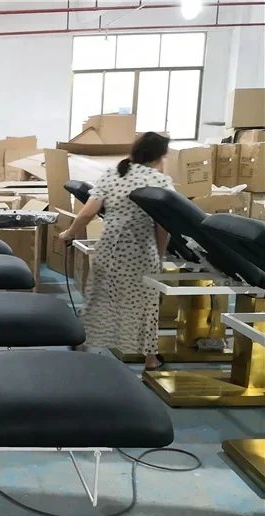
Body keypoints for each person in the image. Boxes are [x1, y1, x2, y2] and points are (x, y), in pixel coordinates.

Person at [59, 132, 173, 371]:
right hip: (141, 251)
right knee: (146, 304)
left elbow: (88, 212)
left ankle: (83, 345)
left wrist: (69, 233)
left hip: (108, 248)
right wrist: (160, 256)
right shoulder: (160, 181)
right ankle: (150, 359)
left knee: (98, 298)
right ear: (160, 156)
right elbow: (164, 226)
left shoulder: (112, 173)